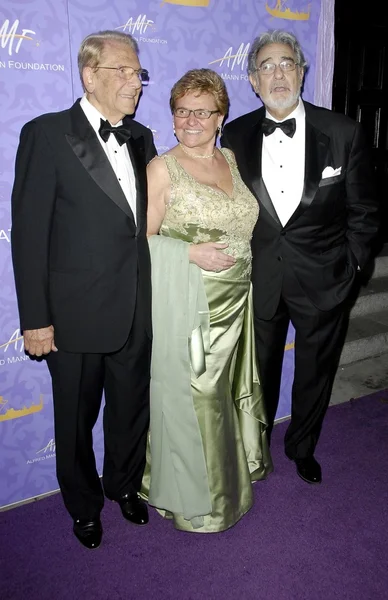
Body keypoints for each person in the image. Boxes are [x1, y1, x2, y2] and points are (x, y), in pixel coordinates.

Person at [11, 30, 157, 549]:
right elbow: (28, 235)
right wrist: (35, 319)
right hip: (72, 314)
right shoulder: (47, 133)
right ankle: (83, 504)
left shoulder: (142, 137)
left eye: (138, 72)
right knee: (74, 418)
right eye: (122, 70)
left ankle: (123, 486)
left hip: (136, 307)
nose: (135, 82)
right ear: (89, 75)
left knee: (131, 406)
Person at [221, 30, 379, 485]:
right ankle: (257, 449)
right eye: (266, 66)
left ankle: (302, 447)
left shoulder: (343, 131)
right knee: (259, 375)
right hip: (260, 280)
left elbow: (365, 212)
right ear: (253, 80)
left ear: (302, 72)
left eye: (286, 63)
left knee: (315, 373)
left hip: (326, 279)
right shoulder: (234, 135)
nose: (277, 74)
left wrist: (353, 266)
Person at [144, 68, 272, 533]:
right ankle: (200, 500)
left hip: (238, 298)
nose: (190, 119)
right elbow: (140, 241)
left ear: (221, 116)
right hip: (191, 302)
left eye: (202, 110)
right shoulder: (162, 167)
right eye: (182, 110)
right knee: (199, 395)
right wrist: (190, 253)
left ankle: (232, 481)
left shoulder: (231, 159)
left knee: (222, 394)